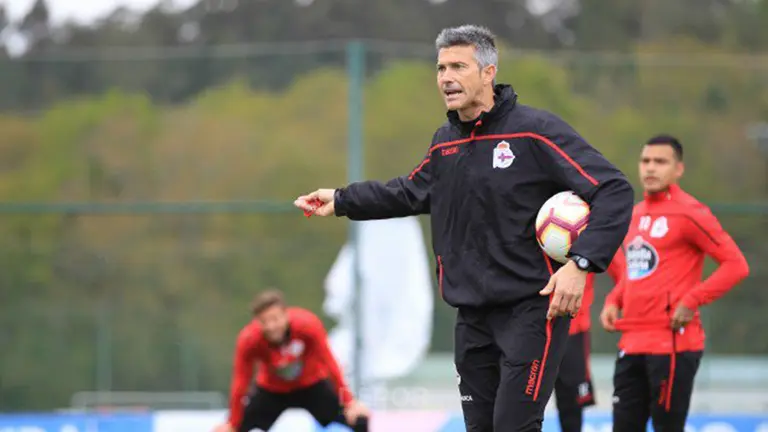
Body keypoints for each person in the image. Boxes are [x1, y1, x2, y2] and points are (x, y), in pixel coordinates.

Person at [295, 24, 634, 432]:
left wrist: (580, 265)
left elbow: (613, 189)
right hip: (471, 317)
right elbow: (408, 191)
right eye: (440, 68)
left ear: (489, 73)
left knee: (513, 427)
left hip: (531, 311)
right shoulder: (445, 143)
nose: (446, 78)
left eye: (458, 66)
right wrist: (342, 199)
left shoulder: (534, 131)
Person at [599, 134, 750, 432]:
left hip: (673, 345)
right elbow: (636, 273)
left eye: (660, 162)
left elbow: (736, 265)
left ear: (678, 169)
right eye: (646, 161)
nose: (651, 168)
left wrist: (693, 300)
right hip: (630, 343)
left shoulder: (690, 213)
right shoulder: (634, 215)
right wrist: (613, 301)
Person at [213, 290, 369, 432]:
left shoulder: (307, 325)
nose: (271, 326)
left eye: (275, 319)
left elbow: (330, 364)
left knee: (359, 419)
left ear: (285, 315)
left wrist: (349, 402)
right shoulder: (249, 340)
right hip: (272, 390)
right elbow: (240, 382)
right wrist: (233, 422)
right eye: (264, 321)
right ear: (257, 322)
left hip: (311, 385)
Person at [554, 265, 621, 432]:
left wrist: (613, 301)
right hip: (529, 331)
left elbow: (626, 271)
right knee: (523, 402)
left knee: (571, 406)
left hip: (573, 330)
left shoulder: (589, 239)